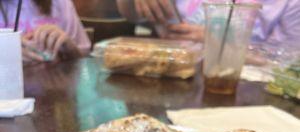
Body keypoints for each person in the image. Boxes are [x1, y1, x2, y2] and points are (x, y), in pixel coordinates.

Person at [117, 0, 300, 48]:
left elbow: (286, 65)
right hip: (172, 80)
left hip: (243, 96)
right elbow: (132, 15)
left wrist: (220, 43)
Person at [0, 0, 91, 62]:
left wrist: (69, 47)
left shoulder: (60, 2)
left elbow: (85, 60)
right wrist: (7, 49)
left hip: (56, 86)